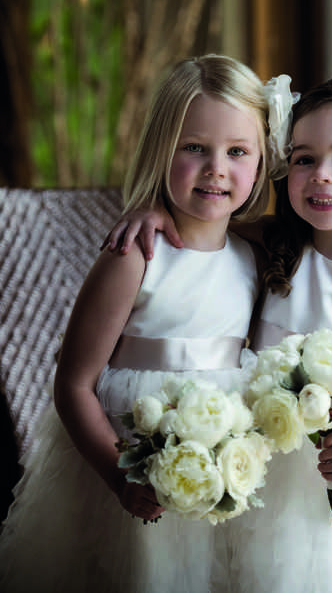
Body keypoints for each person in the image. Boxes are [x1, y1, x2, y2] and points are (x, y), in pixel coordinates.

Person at [104, 75, 332, 593]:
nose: (320, 176)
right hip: (259, 480)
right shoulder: (275, 247)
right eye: (302, 158)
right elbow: (204, 222)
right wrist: (156, 209)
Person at [0, 54, 291, 593]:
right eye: (194, 148)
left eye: (237, 151)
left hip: (223, 473)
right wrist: (120, 477)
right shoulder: (135, 254)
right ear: (162, 150)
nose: (216, 168)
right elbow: (74, 384)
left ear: (263, 159)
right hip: (132, 472)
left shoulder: (256, 254)